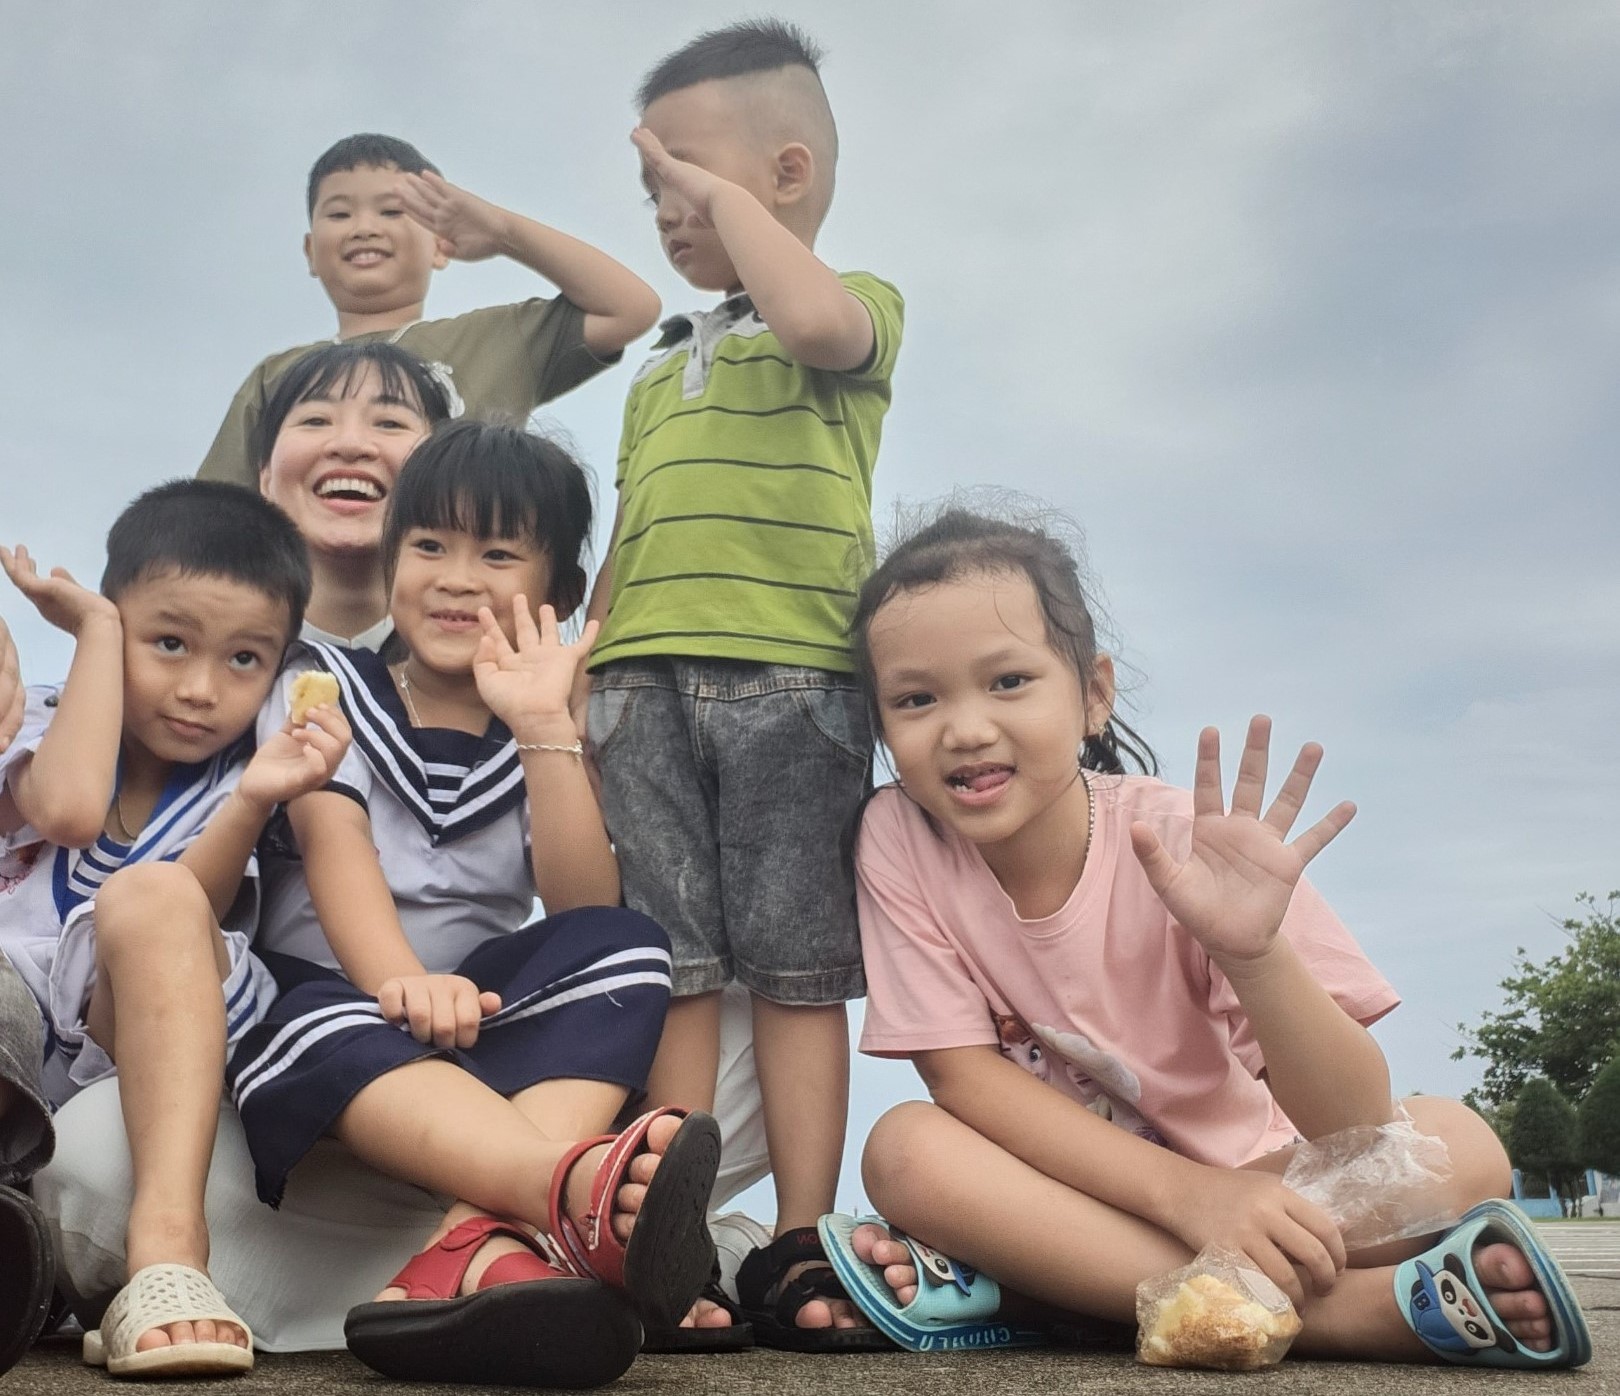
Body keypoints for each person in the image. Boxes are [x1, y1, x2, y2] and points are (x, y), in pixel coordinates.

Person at [813, 507, 1590, 1369]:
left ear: (1093, 695)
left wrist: (1256, 957)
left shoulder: (1186, 842)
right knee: (906, 1151)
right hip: (1068, 1195)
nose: (963, 727)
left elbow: (1354, 1122)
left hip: (1254, 1190)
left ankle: (1052, 1292)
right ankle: (1351, 1316)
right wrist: (1189, 1199)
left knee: (1464, 1144)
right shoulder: (899, 836)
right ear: (882, 727)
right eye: (916, 699)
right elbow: (962, 1080)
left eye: (1007, 682)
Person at [225, 418, 719, 1388]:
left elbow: (577, 903)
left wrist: (542, 723)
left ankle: (470, 1241)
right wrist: (399, 981)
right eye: (430, 545)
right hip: (332, 997)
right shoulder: (326, 686)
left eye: (498, 552)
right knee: (317, 1014)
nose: (456, 576)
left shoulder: (545, 718)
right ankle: (569, 1197)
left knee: (623, 943)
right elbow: (335, 841)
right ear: (389, 555)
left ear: (558, 592)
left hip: (469, 1016)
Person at [581, 19, 903, 1350]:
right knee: (677, 968)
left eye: (688, 179)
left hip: (794, 680)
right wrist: (585, 649)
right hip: (639, 685)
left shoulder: (858, 308)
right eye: (650, 189)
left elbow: (815, 316)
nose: (667, 210)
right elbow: (630, 529)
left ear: (786, 172)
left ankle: (798, 1241)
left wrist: (721, 198)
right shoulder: (661, 367)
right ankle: (667, 1235)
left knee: (795, 972)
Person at [0, 481, 350, 1377]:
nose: (200, 689)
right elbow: (71, 809)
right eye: (167, 642)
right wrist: (97, 639)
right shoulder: (44, 714)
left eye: (244, 661)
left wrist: (254, 799)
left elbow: (172, 913)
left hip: (123, 1043)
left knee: (153, 898)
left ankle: (166, 1265)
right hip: (13, 1025)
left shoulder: (242, 775)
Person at [197, 132, 661, 489]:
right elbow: (212, 514)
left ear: (442, 245)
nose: (364, 228)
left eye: (392, 212)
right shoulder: (276, 375)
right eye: (339, 214)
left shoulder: (498, 337)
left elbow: (629, 308)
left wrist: (502, 232)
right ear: (310, 252)